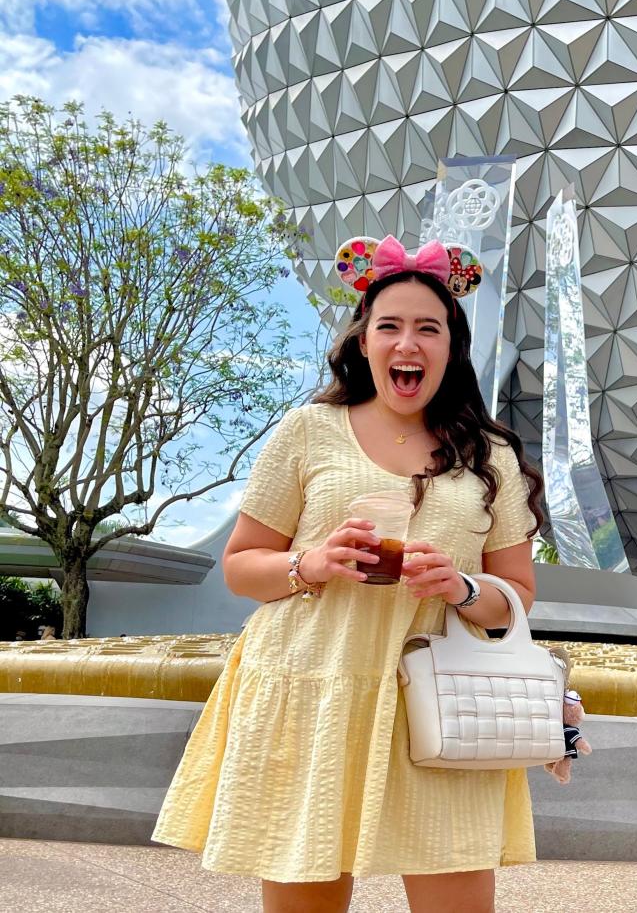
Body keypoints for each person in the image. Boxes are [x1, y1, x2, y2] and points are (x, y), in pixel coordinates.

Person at [151, 236, 545, 913]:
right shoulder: (308, 431)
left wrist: (461, 587)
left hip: (439, 701)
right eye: (389, 326)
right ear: (363, 343)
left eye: (429, 328)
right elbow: (243, 567)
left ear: (452, 348)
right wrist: (312, 563)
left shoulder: (492, 455)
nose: (408, 343)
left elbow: (519, 600)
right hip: (313, 689)